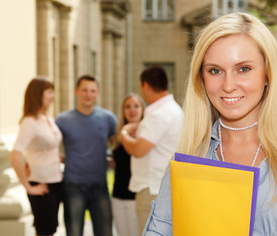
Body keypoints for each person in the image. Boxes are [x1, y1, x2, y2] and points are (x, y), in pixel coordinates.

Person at [143, 12, 277, 235]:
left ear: (267, 74)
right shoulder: (189, 157)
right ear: (201, 78)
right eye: (215, 71)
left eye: (244, 69)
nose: (228, 85)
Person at [120, 66, 183, 235]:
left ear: (145, 86)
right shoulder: (173, 109)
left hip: (152, 189)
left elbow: (139, 149)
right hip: (165, 186)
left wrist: (124, 133)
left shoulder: (158, 114)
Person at [56, 75, 117, 236]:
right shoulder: (62, 120)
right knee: (74, 232)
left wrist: (114, 162)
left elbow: (116, 146)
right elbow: (49, 145)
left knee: (105, 232)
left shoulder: (108, 118)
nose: (88, 94)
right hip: (73, 186)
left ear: (97, 93)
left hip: (100, 185)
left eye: (92, 90)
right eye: (84, 90)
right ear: (77, 91)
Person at [9, 76, 62, 236]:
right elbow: (15, 155)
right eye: (49, 92)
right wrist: (28, 187)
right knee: (45, 231)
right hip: (41, 185)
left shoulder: (47, 118)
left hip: (55, 182)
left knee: (50, 229)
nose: (53, 96)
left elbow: (45, 149)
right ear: (38, 94)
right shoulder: (29, 122)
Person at [110, 93, 144, 236]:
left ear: (142, 109)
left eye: (136, 106)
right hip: (118, 195)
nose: (132, 110)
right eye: (127, 107)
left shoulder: (146, 134)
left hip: (136, 196)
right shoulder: (119, 134)